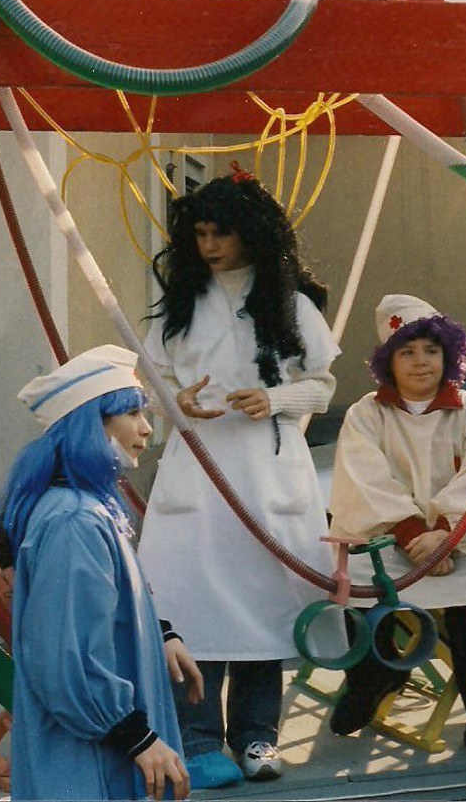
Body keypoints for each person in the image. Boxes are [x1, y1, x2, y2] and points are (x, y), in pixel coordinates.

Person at [138, 169, 340, 787]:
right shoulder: (179, 307)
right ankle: (200, 740)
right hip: (197, 472)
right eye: (199, 234)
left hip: (266, 473)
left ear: (251, 234)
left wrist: (275, 399)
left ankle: (257, 736)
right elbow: (150, 379)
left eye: (220, 234)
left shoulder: (291, 306)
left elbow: (323, 386)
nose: (208, 246)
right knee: (190, 605)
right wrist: (178, 402)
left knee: (263, 609)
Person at [326, 295, 466, 764]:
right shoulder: (366, 414)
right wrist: (411, 536)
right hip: (391, 538)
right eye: (407, 352)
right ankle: (373, 680)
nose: (421, 361)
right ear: (388, 361)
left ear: (449, 353)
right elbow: (365, 484)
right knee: (355, 579)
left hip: (465, 538)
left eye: (431, 349)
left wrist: (447, 536)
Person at [0, 344, 200, 802]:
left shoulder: (81, 509)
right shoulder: (75, 520)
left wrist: (160, 633)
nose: (145, 428)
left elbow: (101, 607)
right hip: (92, 765)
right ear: (92, 424)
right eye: (131, 413)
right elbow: (63, 658)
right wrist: (137, 737)